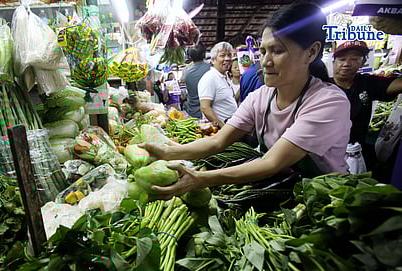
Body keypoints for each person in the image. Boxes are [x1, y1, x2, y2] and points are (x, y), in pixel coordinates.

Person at [139, 2, 351, 199]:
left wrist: (201, 179)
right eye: (263, 51)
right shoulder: (261, 97)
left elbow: (271, 162)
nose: (266, 62)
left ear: (311, 52)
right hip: (285, 191)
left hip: (325, 201)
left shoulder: (328, 102)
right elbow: (218, 141)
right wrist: (168, 151)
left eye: (277, 51)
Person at [330, 40, 402, 170]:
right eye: (341, 59)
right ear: (333, 62)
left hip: (355, 153)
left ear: (362, 63)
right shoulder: (322, 86)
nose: (346, 64)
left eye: (354, 59)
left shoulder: (367, 83)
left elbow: (397, 85)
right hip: (325, 153)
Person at [198, 42, 238, 127]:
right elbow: (205, 108)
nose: (227, 59)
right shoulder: (209, 78)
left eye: (229, 55)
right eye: (222, 55)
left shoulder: (225, 76)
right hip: (221, 129)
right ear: (213, 60)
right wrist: (223, 129)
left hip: (231, 126)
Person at [183, 43, 211, 118]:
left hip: (192, 111)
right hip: (209, 112)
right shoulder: (211, 68)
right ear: (204, 54)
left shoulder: (186, 71)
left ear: (190, 56)